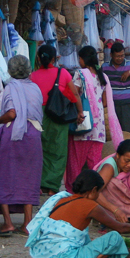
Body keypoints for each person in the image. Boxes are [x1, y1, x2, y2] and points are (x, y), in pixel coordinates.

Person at [26, 169, 130, 258]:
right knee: (114, 238)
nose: (98, 196)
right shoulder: (89, 205)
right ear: (93, 191)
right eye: (99, 193)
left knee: (85, 240)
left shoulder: (61, 200)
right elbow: (121, 228)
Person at [0, 55, 43, 237]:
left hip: (13, 135)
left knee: (2, 174)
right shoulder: (35, 87)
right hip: (33, 135)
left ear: (10, 71)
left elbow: (11, 114)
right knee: (29, 177)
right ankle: (27, 223)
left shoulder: (11, 87)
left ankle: (8, 223)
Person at [31, 44, 83, 194]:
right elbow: (74, 95)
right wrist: (79, 112)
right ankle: (52, 187)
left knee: (40, 150)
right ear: (54, 58)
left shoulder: (33, 76)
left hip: (38, 114)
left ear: (39, 58)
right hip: (59, 113)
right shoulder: (63, 73)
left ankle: (39, 184)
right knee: (58, 151)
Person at [66, 46, 118, 188]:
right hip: (98, 125)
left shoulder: (80, 74)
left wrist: (79, 111)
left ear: (83, 59)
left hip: (83, 121)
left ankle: (73, 192)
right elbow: (105, 102)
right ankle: (95, 190)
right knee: (95, 162)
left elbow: (74, 94)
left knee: (75, 161)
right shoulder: (103, 76)